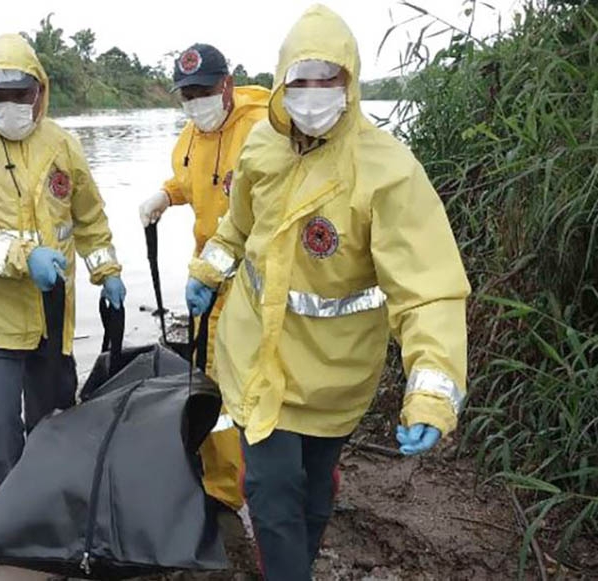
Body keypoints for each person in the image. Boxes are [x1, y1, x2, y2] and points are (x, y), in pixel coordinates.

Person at [185, 5, 471, 579]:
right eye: (300, 80)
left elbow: (428, 289)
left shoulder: (387, 171)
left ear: (351, 82)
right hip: (256, 356)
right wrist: (207, 272)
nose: (312, 94)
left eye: (327, 79)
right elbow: (238, 226)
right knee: (271, 488)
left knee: (314, 493)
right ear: (282, 81)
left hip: (334, 374)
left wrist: (433, 389)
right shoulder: (262, 146)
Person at [0, 33, 126, 489]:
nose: (11, 104)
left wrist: (106, 270)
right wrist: (23, 256)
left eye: (21, 94)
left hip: (49, 320)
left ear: (40, 92)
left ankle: (49, 498)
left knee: (53, 420)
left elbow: (89, 217)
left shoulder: (62, 145)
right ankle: (14, 506)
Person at [139, 43, 269, 512]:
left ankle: (242, 483)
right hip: (207, 279)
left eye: (203, 90)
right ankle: (221, 487)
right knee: (211, 380)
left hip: (253, 284)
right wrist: (165, 196)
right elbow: (189, 179)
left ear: (227, 85)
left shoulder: (261, 130)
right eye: (186, 93)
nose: (195, 101)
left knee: (247, 383)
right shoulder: (191, 136)